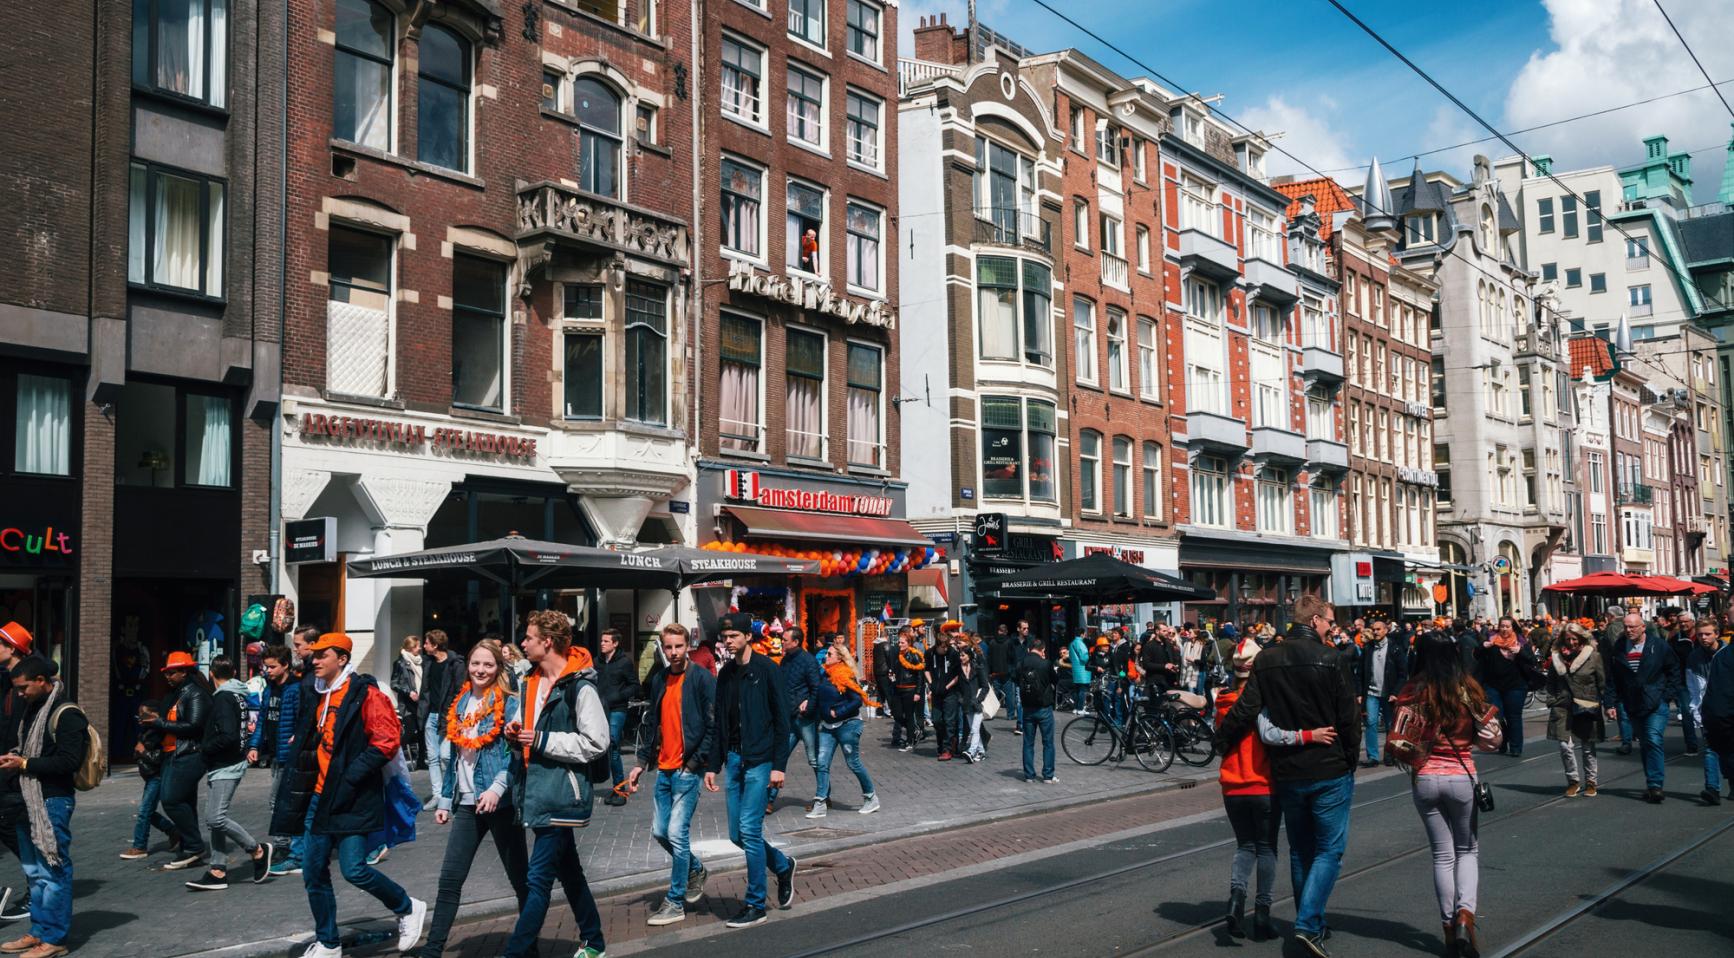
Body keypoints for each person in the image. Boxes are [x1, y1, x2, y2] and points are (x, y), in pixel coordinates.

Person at [1217, 595, 1359, 958]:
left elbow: (1247, 708)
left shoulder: (1268, 659)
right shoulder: (1332, 659)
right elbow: (1348, 716)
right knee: (1329, 849)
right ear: (1314, 621)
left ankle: (1310, 920)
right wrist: (1350, 758)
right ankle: (1308, 923)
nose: (1332, 628)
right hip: (1328, 766)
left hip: (1288, 771)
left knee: (1301, 850)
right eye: (1329, 621)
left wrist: (1221, 740)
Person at [270, 633, 424, 958]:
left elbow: (386, 741)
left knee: (353, 869)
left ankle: (407, 906)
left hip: (353, 797)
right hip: (319, 797)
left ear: (341, 659)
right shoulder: (315, 692)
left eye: (321, 655)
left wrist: (351, 776)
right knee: (313, 871)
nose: (314, 660)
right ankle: (329, 942)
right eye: (313, 655)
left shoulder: (365, 693)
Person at [502, 611, 610, 958]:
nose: (522, 643)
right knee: (570, 872)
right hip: (535, 790)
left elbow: (596, 742)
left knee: (538, 881)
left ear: (547, 642)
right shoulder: (529, 682)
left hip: (562, 794)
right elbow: (524, 724)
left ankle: (515, 952)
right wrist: (513, 731)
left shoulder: (580, 687)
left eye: (529, 637)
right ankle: (594, 942)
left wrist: (541, 740)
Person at [1390, 632, 1503, 958]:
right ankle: (1465, 915)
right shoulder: (1467, 687)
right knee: (1467, 850)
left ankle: (1449, 930)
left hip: (1425, 777)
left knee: (1442, 855)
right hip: (1461, 776)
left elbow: (1400, 740)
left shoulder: (1412, 689)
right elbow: (1492, 739)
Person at [419, 639, 531, 958]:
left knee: (520, 879)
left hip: (500, 803)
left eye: (488, 664)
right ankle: (433, 949)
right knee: (450, 878)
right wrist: (445, 800)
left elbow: (515, 754)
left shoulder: (508, 702)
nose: (480, 670)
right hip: (467, 803)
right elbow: (456, 757)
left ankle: (529, 946)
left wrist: (497, 788)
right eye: (475, 663)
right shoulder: (461, 701)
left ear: (498, 668)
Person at [705, 612, 797, 929]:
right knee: (736, 835)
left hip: (760, 761)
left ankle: (756, 904)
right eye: (724, 637)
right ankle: (782, 866)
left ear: (747, 636)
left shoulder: (768, 669)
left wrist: (779, 766)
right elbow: (720, 723)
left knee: (749, 831)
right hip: (734, 759)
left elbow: (783, 721)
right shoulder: (726, 674)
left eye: (733, 636)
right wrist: (713, 765)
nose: (728, 641)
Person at [625, 623, 716, 926]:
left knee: (677, 834)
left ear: (688, 646)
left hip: (687, 770)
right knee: (660, 832)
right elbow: (652, 723)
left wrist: (695, 764)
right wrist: (641, 763)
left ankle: (675, 901)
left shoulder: (702, 679)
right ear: (662, 648)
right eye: (669, 647)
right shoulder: (660, 679)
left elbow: (712, 725)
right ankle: (695, 869)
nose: (674, 652)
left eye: (679, 646)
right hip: (664, 769)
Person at [0, 657, 86, 958]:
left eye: (24, 687)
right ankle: (38, 931)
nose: (20, 693)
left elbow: (69, 762)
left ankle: (55, 938)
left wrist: (24, 763)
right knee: (34, 872)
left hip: (51, 800)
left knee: (53, 870)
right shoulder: (32, 709)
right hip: (27, 799)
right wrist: (15, 758)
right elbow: (26, 749)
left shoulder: (67, 713)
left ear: (41, 680)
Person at [1216, 639, 1296, 941]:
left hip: (1232, 784)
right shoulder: (1266, 701)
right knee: (1266, 848)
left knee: (1244, 846)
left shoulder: (1223, 701)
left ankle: (1237, 899)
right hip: (1263, 783)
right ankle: (1262, 913)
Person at [184, 655, 272, 890]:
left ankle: (257, 850)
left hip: (226, 765)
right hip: (225, 763)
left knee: (216, 818)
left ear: (211, 674)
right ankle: (218, 870)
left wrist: (204, 747)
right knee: (213, 820)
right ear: (234, 673)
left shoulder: (223, 698)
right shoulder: (238, 695)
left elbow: (228, 735)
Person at [143, 650, 214, 871]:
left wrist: (159, 723)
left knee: (171, 800)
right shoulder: (176, 694)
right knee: (184, 802)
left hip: (188, 755)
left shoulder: (195, 694)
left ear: (184, 672)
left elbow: (193, 726)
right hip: (172, 754)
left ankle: (194, 846)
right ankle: (190, 846)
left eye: (172, 673)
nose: (168, 676)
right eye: (166, 673)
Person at [1607, 611, 1684, 803]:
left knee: (1653, 738)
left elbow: (1674, 670)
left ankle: (1656, 785)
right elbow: (1613, 677)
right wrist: (1610, 702)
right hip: (1633, 702)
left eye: (1632, 626)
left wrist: (1666, 696)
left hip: (1656, 701)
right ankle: (1651, 783)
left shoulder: (1659, 646)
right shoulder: (1619, 648)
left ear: (1643, 627)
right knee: (1644, 743)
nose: (1628, 630)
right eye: (1626, 627)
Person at [250, 645, 305, 874]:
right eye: (266, 666)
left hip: (289, 755)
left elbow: (302, 719)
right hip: (275, 754)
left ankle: (285, 846)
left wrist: (297, 738)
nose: (268, 671)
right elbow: (263, 719)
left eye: (272, 667)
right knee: (281, 801)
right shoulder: (270, 688)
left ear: (285, 665)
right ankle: (288, 845)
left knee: (279, 801)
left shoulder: (295, 689)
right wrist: (254, 745)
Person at [809, 655, 880, 817]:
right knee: (822, 763)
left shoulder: (846, 675)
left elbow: (857, 700)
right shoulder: (824, 674)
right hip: (827, 726)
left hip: (848, 725)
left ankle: (871, 798)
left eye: (830, 654)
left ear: (840, 659)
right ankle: (820, 803)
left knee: (853, 762)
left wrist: (837, 712)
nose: (826, 656)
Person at [1547, 623, 1607, 799]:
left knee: (1588, 746)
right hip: (1562, 705)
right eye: (1568, 639)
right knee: (1565, 746)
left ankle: (1591, 781)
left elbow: (1602, 681)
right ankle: (1573, 781)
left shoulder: (1593, 656)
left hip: (1585, 704)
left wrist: (1603, 703)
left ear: (1581, 639)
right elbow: (1550, 682)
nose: (1571, 642)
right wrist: (1552, 700)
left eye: (1574, 639)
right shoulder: (1556, 658)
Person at [121, 695, 179, 861]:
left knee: (144, 811)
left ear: (154, 715)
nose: (140, 718)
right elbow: (137, 752)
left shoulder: (160, 732)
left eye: (144, 714)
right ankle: (174, 831)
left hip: (157, 775)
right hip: (149, 775)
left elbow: (159, 758)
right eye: (139, 714)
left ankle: (139, 846)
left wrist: (142, 752)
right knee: (147, 812)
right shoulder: (146, 731)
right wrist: (139, 752)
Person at [773, 627, 822, 808]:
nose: (782, 642)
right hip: (789, 717)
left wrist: (808, 707)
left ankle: (823, 796)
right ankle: (769, 799)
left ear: (795, 642)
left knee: (814, 759)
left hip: (805, 718)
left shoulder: (808, 661)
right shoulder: (785, 660)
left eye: (785, 639)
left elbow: (816, 687)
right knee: (780, 755)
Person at [1476, 617, 1537, 757]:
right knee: (1497, 716)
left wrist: (1520, 651)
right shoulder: (1491, 640)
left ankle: (1516, 747)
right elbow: (1476, 656)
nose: (1504, 629)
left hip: (1516, 686)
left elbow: (1532, 661)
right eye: (1502, 626)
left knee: (1513, 716)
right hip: (1493, 685)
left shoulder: (1521, 642)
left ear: (1513, 628)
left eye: (1507, 626)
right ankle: (1502, 742)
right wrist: (1482, 647)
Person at [596, 628, 641, 808]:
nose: (602, 644)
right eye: (602, 640)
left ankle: (620, 788)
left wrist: (618, 696)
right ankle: (611, 785)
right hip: (600, 709)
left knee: (613, 743)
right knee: (601, 746)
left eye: (606, 641)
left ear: (615, 643)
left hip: (617, 709)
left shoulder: (624, 662)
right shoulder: (597, 662)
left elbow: (635, 686)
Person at [1683, 620, 1725, 805]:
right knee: (1710, 749)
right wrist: (1695, 709)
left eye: (1707, 634)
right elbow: (1693, 686)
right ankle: (1712, 789)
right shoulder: (1694, 657)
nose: (1703, 638)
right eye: (1700, 634)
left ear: (1717, 634)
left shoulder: (1727, 653)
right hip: (1708, 709)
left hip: (1729, 707)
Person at [1358, 620, 1408, 768]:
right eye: (1373, 629)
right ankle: (1372, 757)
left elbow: (1402, 674)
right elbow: (1360, 672)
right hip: (1371, 693)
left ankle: (1389, 755)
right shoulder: (1368, 648)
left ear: (1386, 630)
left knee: (1390, 725)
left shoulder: (1395, 648)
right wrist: (1359, 693)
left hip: (1389, 694)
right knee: (1371, 723)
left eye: (1378, 629)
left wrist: (1395, 692)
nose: (1375, 632)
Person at [419, 631, 457, 811]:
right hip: (431, 715)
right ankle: (437, 794)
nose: (424, 646)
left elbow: (458, 690)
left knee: (446, 756)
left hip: (447, 716)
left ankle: (451, 791)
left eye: (427, 643)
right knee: (432, 757)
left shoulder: (454, 663)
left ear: (435, 645)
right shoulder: (428, 663)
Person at [1017, 635, 1058, 784]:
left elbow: (1015, 679)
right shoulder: (1045, 663)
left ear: (1029, 649)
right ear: (1043, 650)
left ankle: (1029, 775)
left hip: (1027, 707)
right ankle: (1048, 775)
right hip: (1044, 707)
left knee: (1028, 743)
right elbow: (1055, 680)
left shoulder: (1021, 663)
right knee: (1048, 743)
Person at [889, 629, 925, 751]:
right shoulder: (897, 655)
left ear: (909, 643)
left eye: (902, 643)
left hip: (910, 689)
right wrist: (892, 677)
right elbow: (894, 670)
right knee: (897, 715)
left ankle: (910, 741)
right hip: (898, 689)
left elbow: (920, 675)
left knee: (909, 716)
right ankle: (914, 730)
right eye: (899, 642)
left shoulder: (914, 655)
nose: (900, 645)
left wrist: (918, 692)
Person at [390, 636, 424, 766]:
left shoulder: (421, 662)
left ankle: (421, 761)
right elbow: (394, 684)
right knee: (409, 731)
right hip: (407, 704)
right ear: (410, 648)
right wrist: (409, 692)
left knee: (421, 731)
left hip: (421, 702)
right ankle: (394, 756)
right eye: (417, 646)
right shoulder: (400, 663)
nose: (419, 648)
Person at [954, 646, 989, 764]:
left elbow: (985, 687)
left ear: (969, 656)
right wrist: (961, 699)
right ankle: (981, 751)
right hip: (966, 704)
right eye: (960, 655)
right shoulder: (959, 670)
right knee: (975, 730)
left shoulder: (977, 668)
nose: (961, 657)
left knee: (974, 729)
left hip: (977, 705)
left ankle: (971, 751)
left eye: (963, 655)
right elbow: (958, 688)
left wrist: (979, 699)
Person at [986, 624, 1023, 732]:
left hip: (995, 672)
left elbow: (989, 658)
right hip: (1006, 672)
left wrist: (990, 671)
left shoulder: (992, 642)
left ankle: (991, 713)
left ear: (998, 631)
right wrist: (1012, 669)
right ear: (1006, 631)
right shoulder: (1009, 642)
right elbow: (1012, 657)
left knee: (994, 694)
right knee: (1009, 694)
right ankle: (1010, 714)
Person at [1066, 631, 1090, 714]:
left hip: (1075, 668)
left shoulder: (1072, 643)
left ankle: (1076, 708)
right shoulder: (1080, 643)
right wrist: (1088, 659)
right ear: (1082, 634)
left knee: (1077, 689)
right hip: (1082, 668)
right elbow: (1084, 656)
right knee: (1082, 690)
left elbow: (1071, 656)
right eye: (1084, 634)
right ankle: (1080, 709)